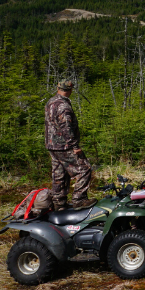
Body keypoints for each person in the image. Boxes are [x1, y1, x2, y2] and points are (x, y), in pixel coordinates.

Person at [45, 79, 94, 210]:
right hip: (64, 146)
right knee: (84, 169)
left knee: (59, 174)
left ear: (58, 88)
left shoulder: (50, 102)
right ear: (70, 90)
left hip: (52, 146)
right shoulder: (63, 106)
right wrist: (75, 146)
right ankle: (79, 199)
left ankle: (59, 204)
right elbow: (66, 127)